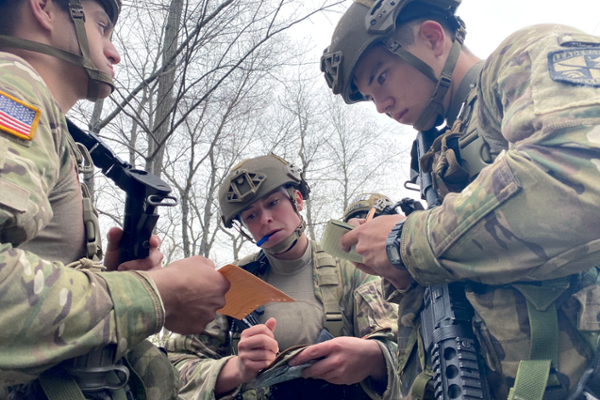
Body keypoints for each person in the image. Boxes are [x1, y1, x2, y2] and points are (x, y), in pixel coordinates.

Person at [318, 0, 600, 399]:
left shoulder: (528, 53)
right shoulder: (439, 150)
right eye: (369, 95)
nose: (380, 105)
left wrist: (405, 241)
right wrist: (406, 274)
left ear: (433, 38)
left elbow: (580, 178)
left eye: (381, 77)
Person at [0, 0, 230, 398]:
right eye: (101, 26)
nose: (113, 51)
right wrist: (154, 294)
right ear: (43, 7)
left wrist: (108, 280)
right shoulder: (13, 88)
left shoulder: (47, 122)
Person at [165, 154, 400, 400]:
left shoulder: (353, 271)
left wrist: (374, 358)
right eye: (251, 216)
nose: (265, 219)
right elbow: (175, 367)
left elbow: (408, 354)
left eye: (273, 203)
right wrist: (235, 369)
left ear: (297, 200)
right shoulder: (228, 285)